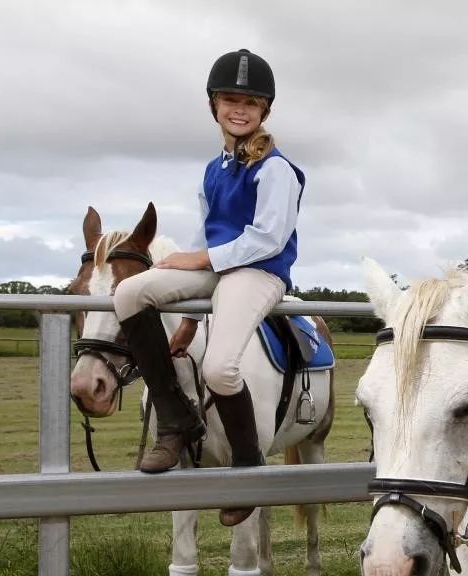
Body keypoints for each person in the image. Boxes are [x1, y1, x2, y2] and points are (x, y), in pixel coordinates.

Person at [112, 48, 305, 526]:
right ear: (213, 106)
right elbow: (210, 230)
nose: (239, 110)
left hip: (260, 271)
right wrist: (191, 315)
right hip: (218, 266)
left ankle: (248, 464)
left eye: (250, 103)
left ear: (265, 110)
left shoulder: (277, 169)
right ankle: (175, 417)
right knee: (129, 293)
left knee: (220, 368)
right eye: (229, 100)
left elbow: (266, 239)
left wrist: (200, 258)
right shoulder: (212, 169)